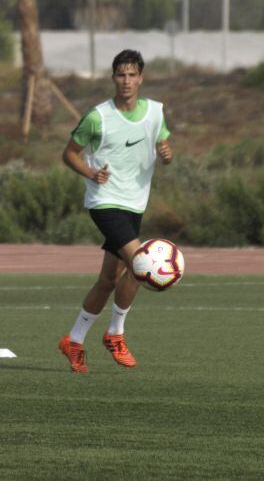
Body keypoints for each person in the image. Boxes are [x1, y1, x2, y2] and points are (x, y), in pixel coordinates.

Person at [58, 49, 172, 373]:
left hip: (135, 203)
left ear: (141, 78)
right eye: (121, 75)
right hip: (104, 201)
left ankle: (74, 340)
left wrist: (166, 153)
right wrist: (90, 173)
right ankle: (115, 334)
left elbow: (166, 148)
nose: (126, 81)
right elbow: (68, 154)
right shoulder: (98, 117)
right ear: (113, 78)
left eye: (132, 74)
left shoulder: (155, 112)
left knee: (109, 279)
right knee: (141, 264)